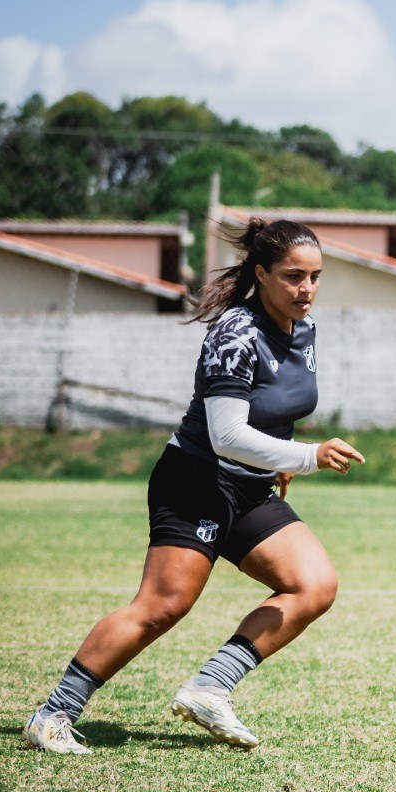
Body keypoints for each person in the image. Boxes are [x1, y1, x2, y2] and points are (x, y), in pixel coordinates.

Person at [24, 218, 364, 754]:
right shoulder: (235, 333)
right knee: (162, 606)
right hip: (198, 481)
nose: (307, 289)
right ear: (262, 274)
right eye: (294, 277)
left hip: (250, 489)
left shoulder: (306, 331)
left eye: (316, 277)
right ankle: (53, 714)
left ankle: (210, 687)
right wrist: (307, 456)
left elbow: (275, 407)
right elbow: (226, 435)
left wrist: (278, 460)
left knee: (314, 585)